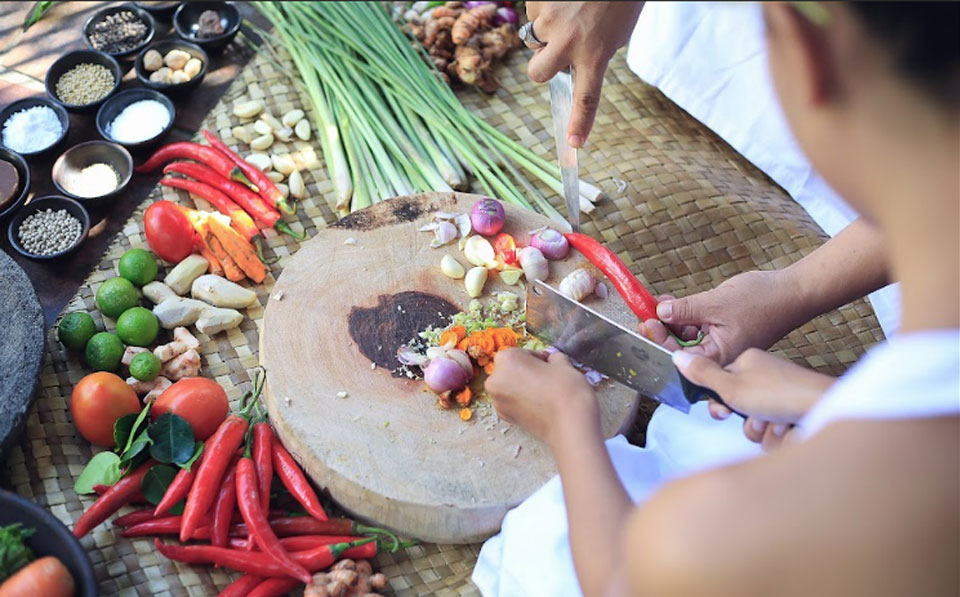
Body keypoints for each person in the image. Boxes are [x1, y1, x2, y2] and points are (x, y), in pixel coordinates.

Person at [472, 2, 959, 596]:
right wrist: (817, 374)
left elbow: (625, 582)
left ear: (805, 56)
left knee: (545, 541)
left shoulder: (716, 528)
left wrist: (571, 424)